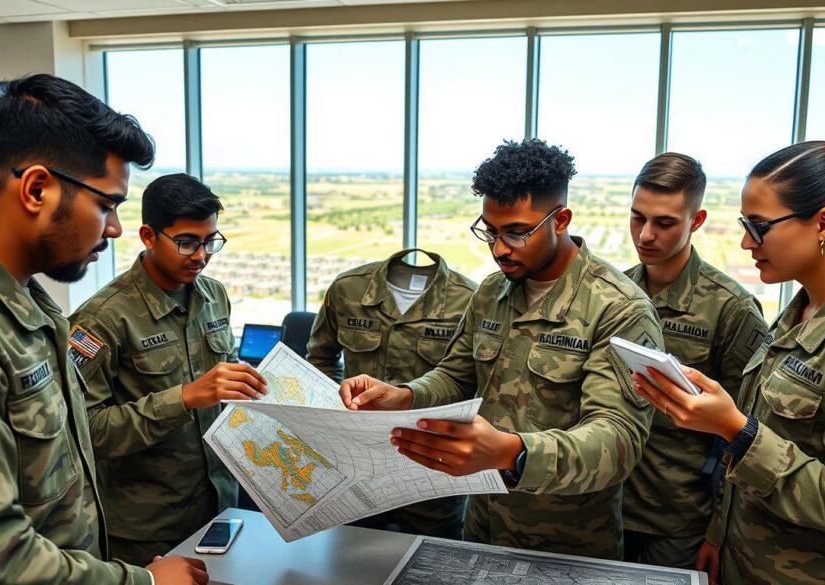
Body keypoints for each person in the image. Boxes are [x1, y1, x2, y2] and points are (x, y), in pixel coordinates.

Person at [0, 74, 207, 584]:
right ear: (37, 188)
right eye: (107, 206)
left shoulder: (27, 304)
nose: (113, 229)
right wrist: (147, 583)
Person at [634, 119, 825, 584]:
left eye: (760, 226)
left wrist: (735, 428)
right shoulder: (799, 313)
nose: (746, 242)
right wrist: (719, 533)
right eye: (744, 225)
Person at [339, 138, 662, 559]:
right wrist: (405, 396)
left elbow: (619, 441)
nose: (499, 249)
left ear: (560, 220)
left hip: (567, 543)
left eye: (516, 233)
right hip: (482, 527)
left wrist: (514, 451)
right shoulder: (493, 290)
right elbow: (456, 375)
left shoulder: (619, 308)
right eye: (489, 231)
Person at [68, 173, 266, 565]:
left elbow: (220, 382)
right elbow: (82, 432)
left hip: (218, 506)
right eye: (187, 242)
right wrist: (184, 399)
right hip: (146, 528)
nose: (201, 255)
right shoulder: (102, 319)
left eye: (211, 241)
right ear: (147, 236)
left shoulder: (214, 296)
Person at [621, 153, 767, 569]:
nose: (645, 235)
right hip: (607, 504)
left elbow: (746, 432)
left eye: (664, 222)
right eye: (637, 218)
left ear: (696, 221)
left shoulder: (732, 309)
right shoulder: (617, 294)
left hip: (679, 517)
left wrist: (718, 531)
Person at [307, 248, 476, 539]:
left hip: (429, 463)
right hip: (357, 458)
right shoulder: (348, 289)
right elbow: (321, 358)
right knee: (351, 553)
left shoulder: (468, 299)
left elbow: (468, 380)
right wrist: (337, 409)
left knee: (433, 557)